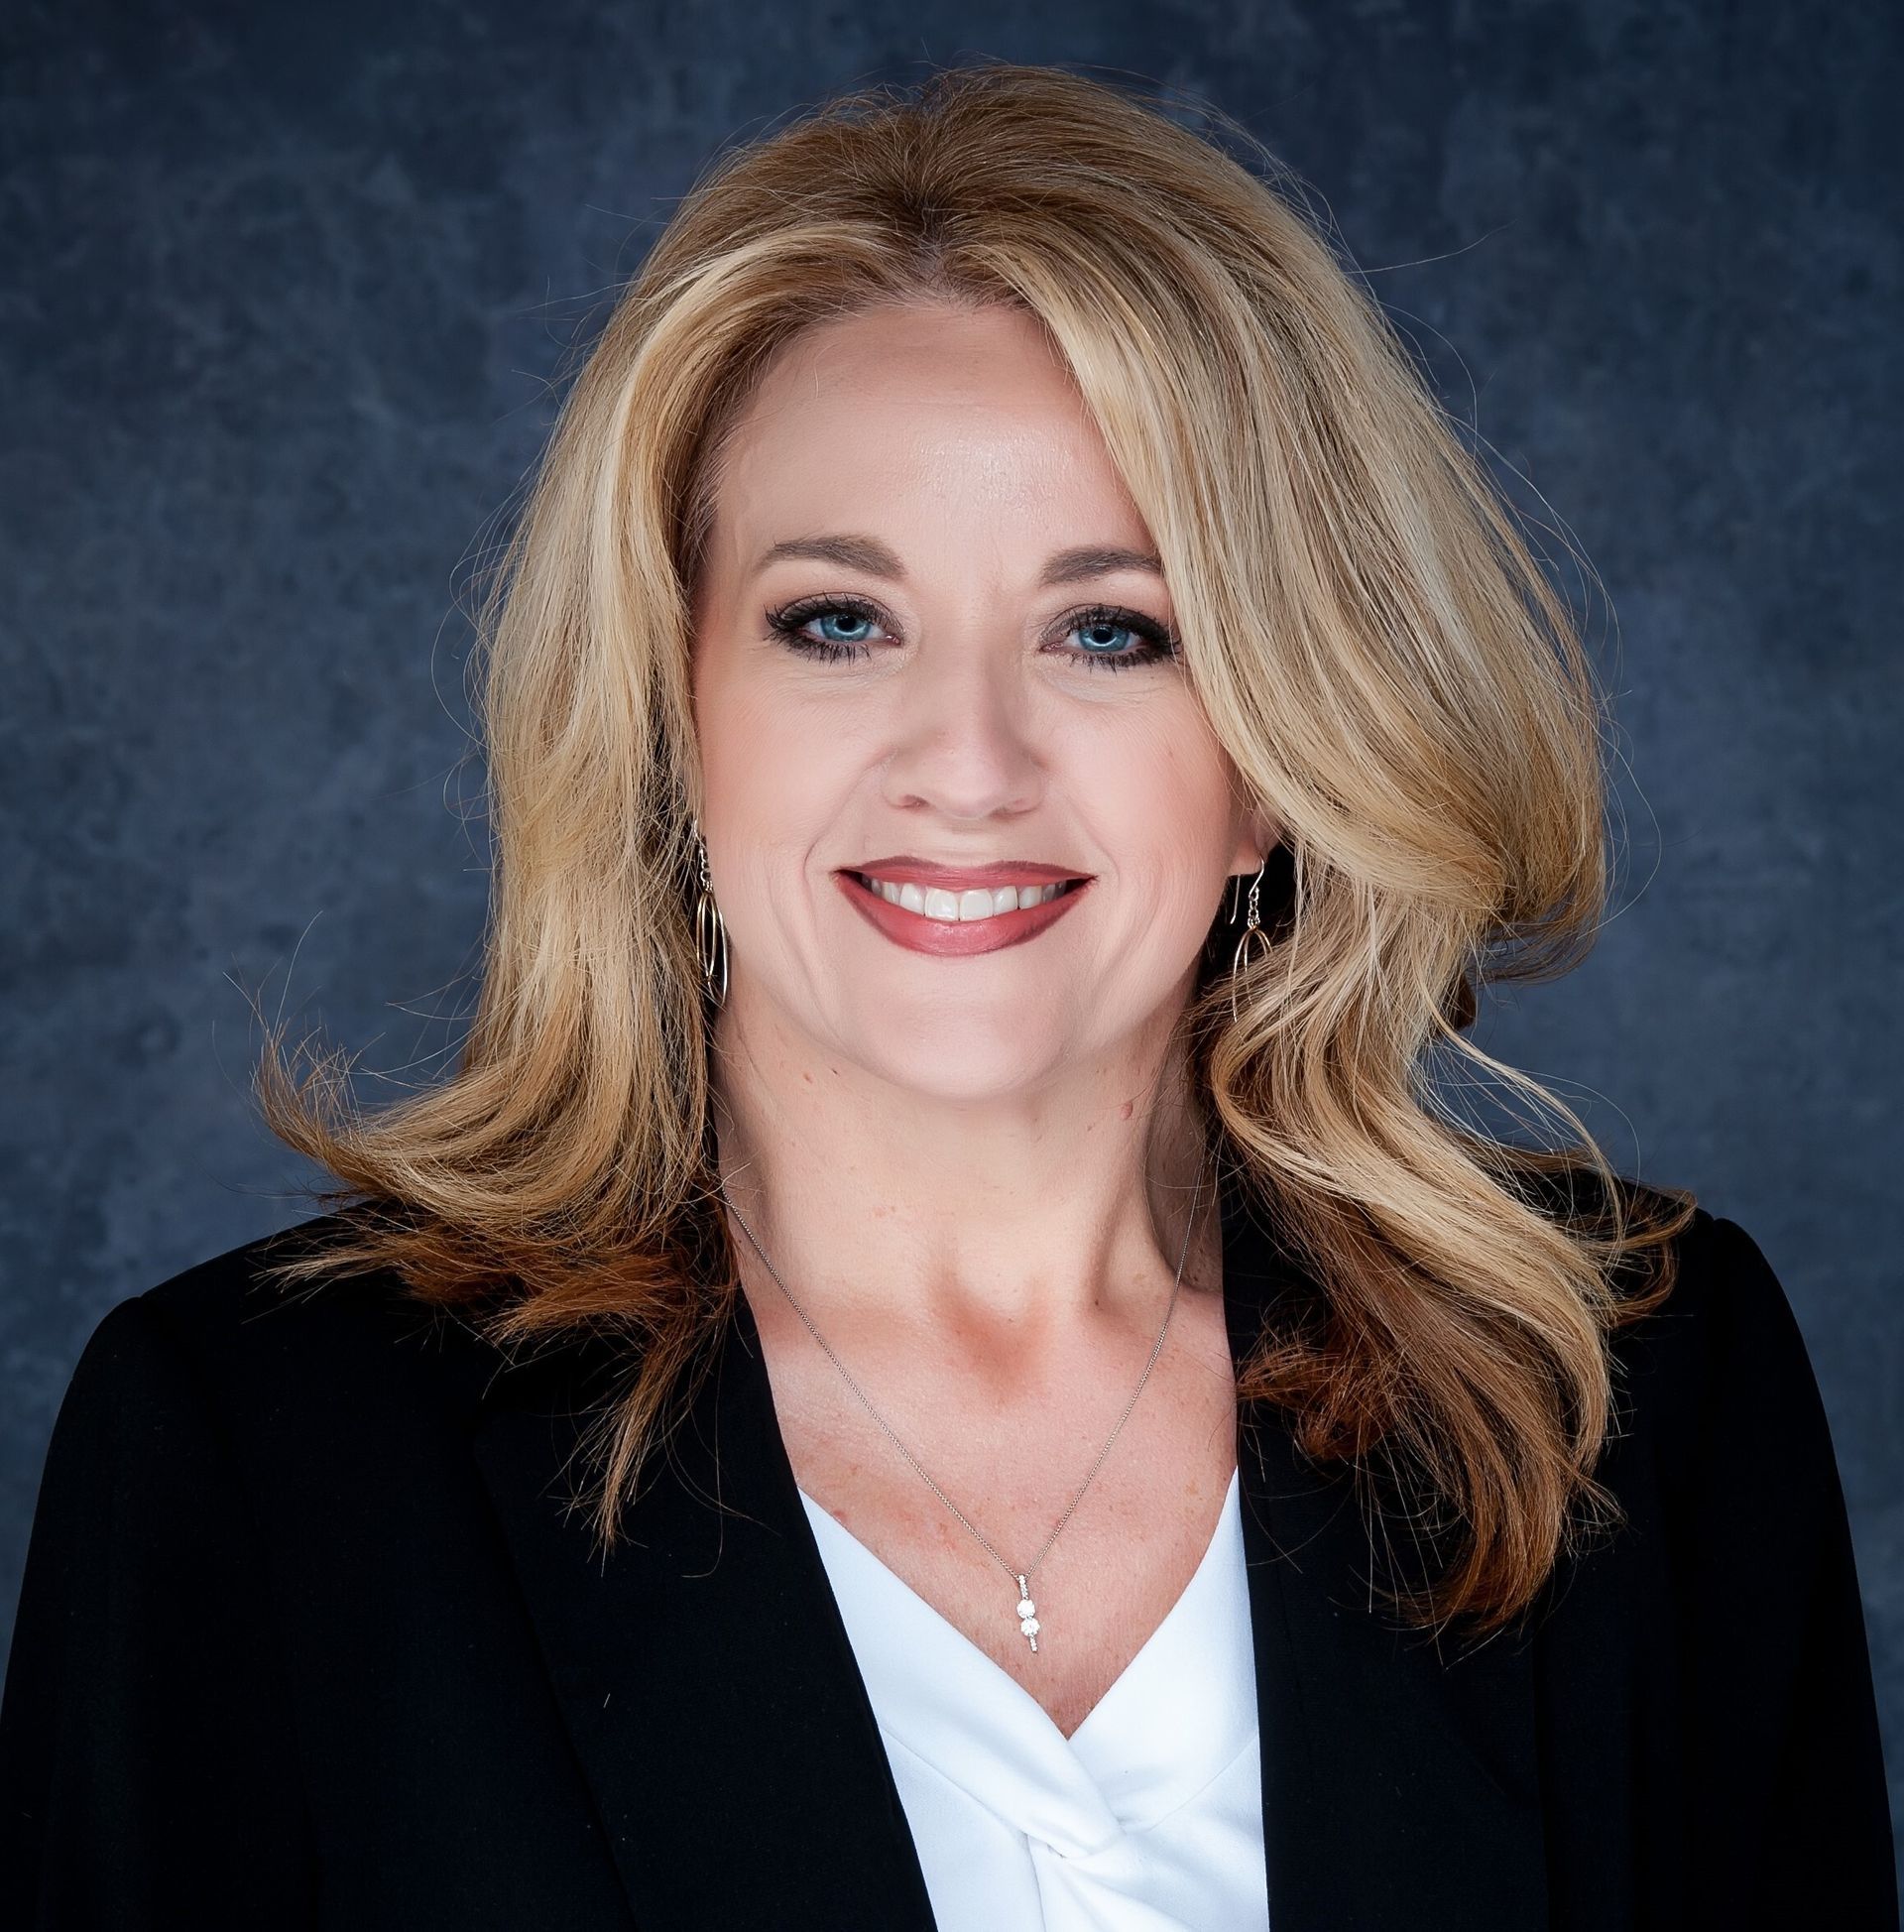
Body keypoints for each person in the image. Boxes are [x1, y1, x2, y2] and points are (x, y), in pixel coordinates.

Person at [0, 60, 1893, 1932]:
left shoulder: (1633, 1393)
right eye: (841, 621)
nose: (968, 762)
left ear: (1275, 753)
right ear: (677, 719)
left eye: (1110, 631)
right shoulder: (259, 1461)